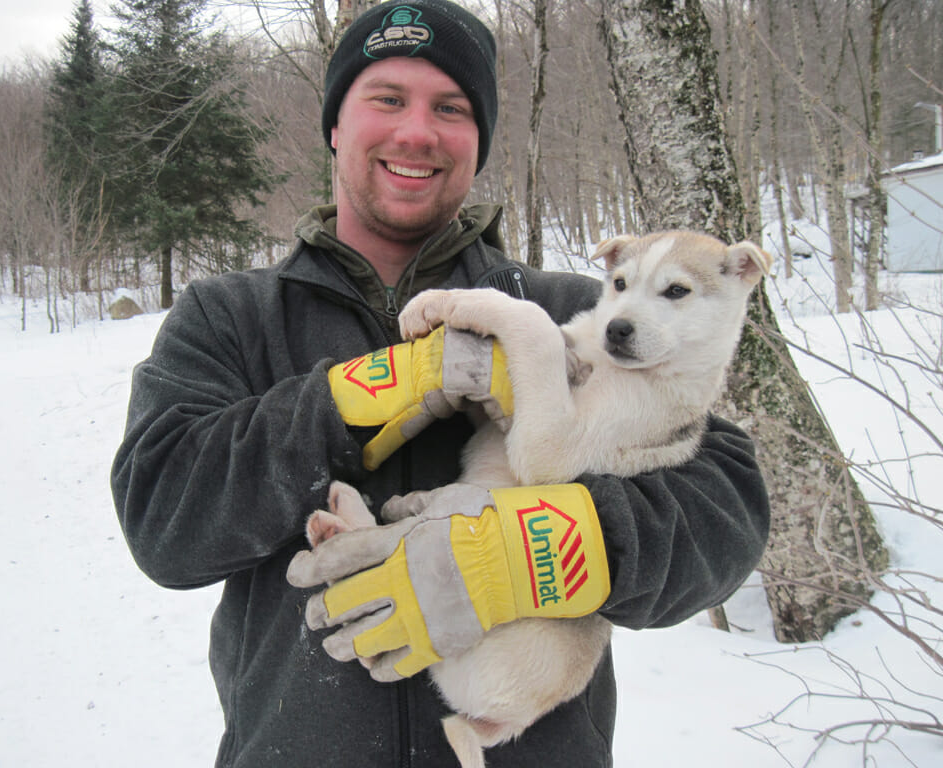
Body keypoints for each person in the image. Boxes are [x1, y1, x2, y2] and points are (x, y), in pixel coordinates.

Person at [110, 1, 770, 766]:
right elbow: (163, 517)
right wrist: (348, 402)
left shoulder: (575, 310)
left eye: (450, 109)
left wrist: (549, 551)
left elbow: (725, 504)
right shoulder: (231, 317)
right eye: (386, 98)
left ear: (478, 141)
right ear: (335, 124)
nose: (417, 132)